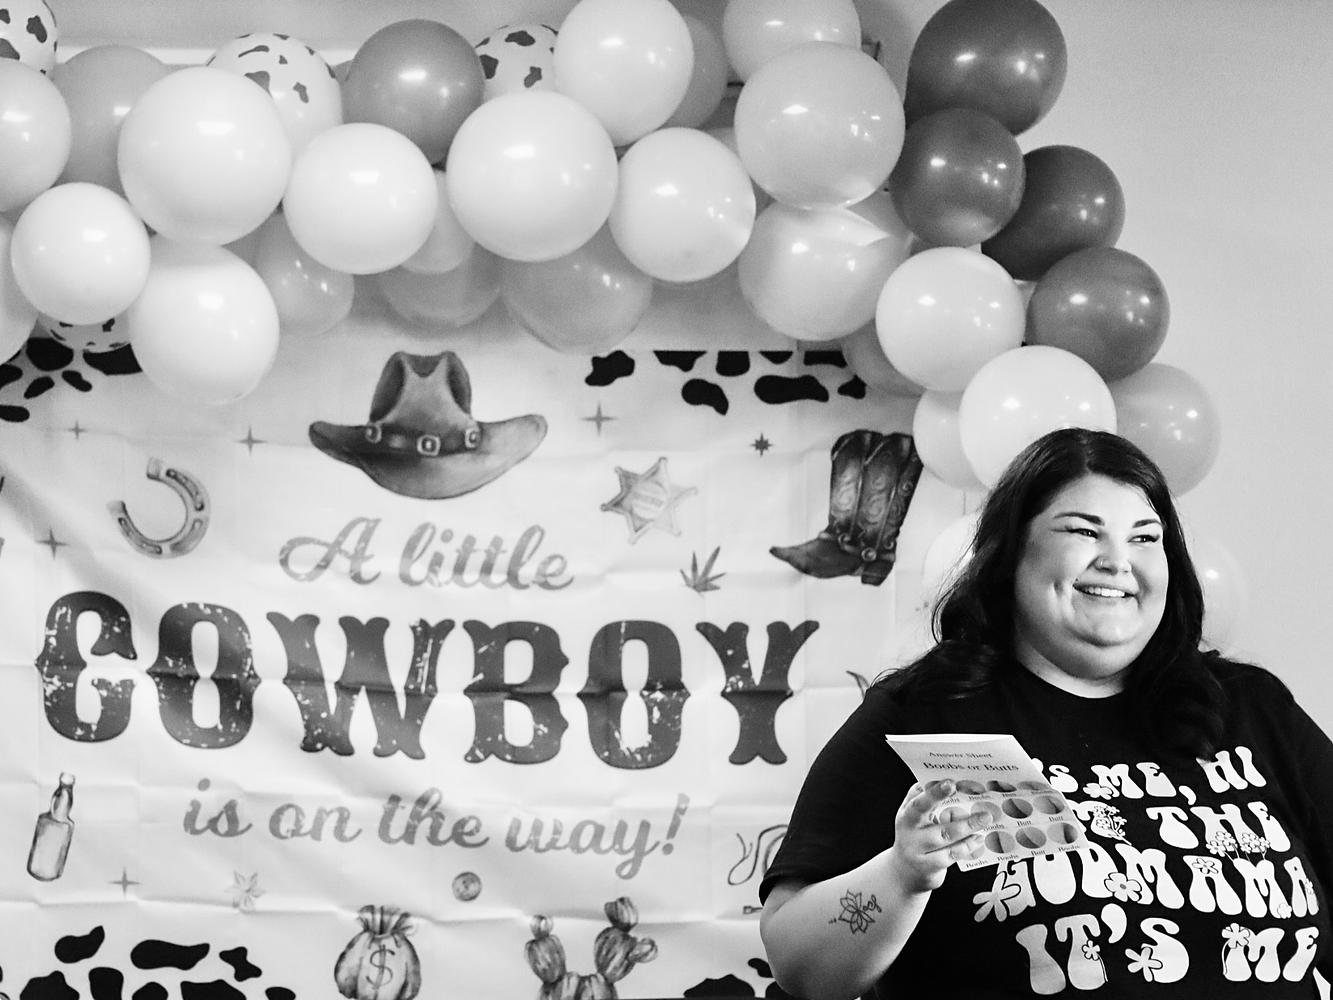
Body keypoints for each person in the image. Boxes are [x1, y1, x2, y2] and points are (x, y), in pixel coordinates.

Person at [758, 427, 1333, 998]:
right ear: (1011, 553)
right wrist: (902, 875)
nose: (1118, 561)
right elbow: (798, 965)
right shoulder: (928, 713)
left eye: (1145, 537)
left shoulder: (1250, 707)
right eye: (1084, 531)